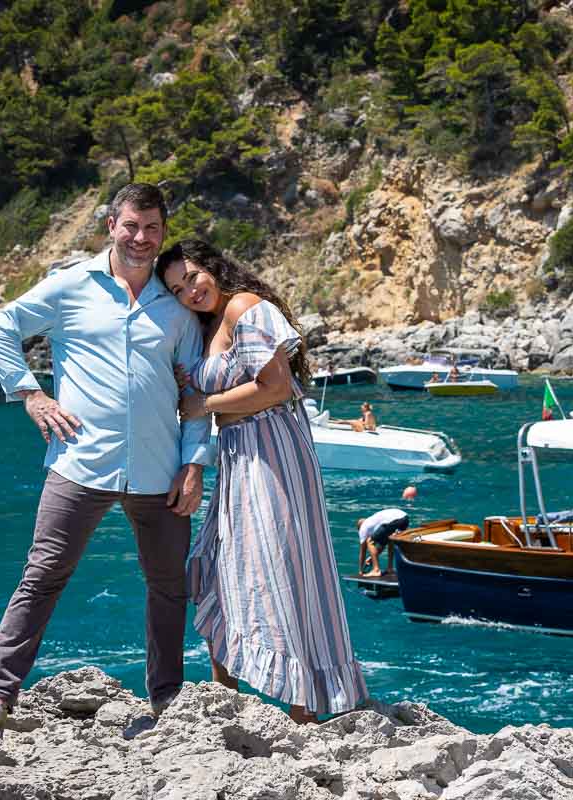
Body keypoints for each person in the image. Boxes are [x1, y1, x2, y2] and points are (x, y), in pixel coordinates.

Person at [0, 184, 210, 735]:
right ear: (110, 227)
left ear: (162, 233)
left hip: (160, 468)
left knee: (169, 585)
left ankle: (165, 698)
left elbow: (194, 395)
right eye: (131, 226)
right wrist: (31, 394)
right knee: (42, 575)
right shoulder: (69, 285)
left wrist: (194, 464)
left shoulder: (177, 308)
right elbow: (0, 330)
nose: (141, 239)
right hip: (78, 462)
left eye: (152, 229)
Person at [157, 238, 367, 724]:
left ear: (212, 267)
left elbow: (274, 387)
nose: (189, 290)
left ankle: (306, 709)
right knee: (219, 561)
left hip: (272, 449)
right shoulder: (208, 325)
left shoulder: (246, 307)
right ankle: (225, 696)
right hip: (238, 455)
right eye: (176, 289)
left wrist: (203, 405)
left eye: (192, 277)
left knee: (283, 568)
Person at [357, 508, 410, 577]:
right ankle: (390, 568)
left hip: (396, 519)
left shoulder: (363, 528)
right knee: (390, 540)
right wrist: (371, 558)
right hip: (405, 518)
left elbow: (362, 551)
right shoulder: (373, 522)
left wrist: (360, 570)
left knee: (369, 541)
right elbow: (382, 545)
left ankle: (376, 570)